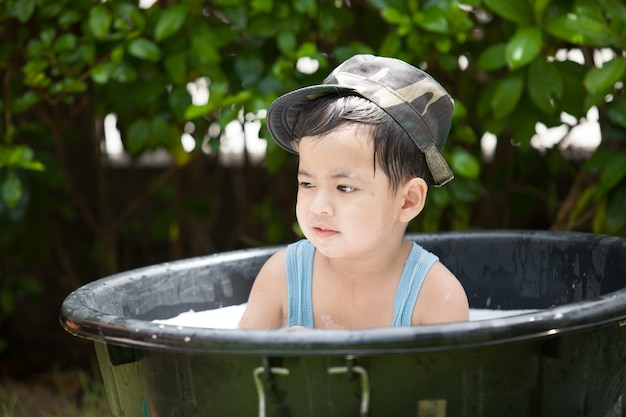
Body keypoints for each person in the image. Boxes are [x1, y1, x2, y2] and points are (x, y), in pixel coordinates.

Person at [238, 54, 469, 329]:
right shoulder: (282, 279)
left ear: (407, 201)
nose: (319, 207)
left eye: (345, 187)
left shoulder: (435, 298)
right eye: (307, 183)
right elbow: (233, 367)